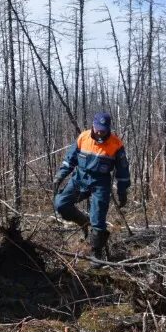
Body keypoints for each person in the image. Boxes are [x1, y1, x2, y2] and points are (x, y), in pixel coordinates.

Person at [52, 111, 130, 261]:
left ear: (108, 128)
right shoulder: (83, 137)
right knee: (61, 204)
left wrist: (122, 191)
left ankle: (96, 252)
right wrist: (60, 175)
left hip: (100, 182)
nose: (100, 132)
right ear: (93, 125)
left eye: (103, 129)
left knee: (98, 217)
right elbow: (70, 158)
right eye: (98, 128)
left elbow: (123, 170)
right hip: (80, 178)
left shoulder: (116, 144)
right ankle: (82, 220)